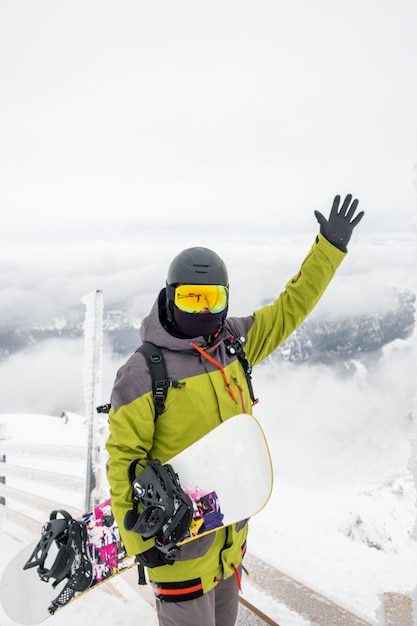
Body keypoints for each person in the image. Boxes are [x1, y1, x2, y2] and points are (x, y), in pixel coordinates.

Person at [106, 194, 364, 626]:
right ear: (169, 299)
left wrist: (329, 249)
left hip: (229, 547)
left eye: (212, 299)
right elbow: (122, 461)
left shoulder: (235, 344)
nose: (203, 311)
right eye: (191, 299)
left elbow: (290, 307)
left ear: (226, 299)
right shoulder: (141, 372)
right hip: (179, 557)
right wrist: (137, 539)